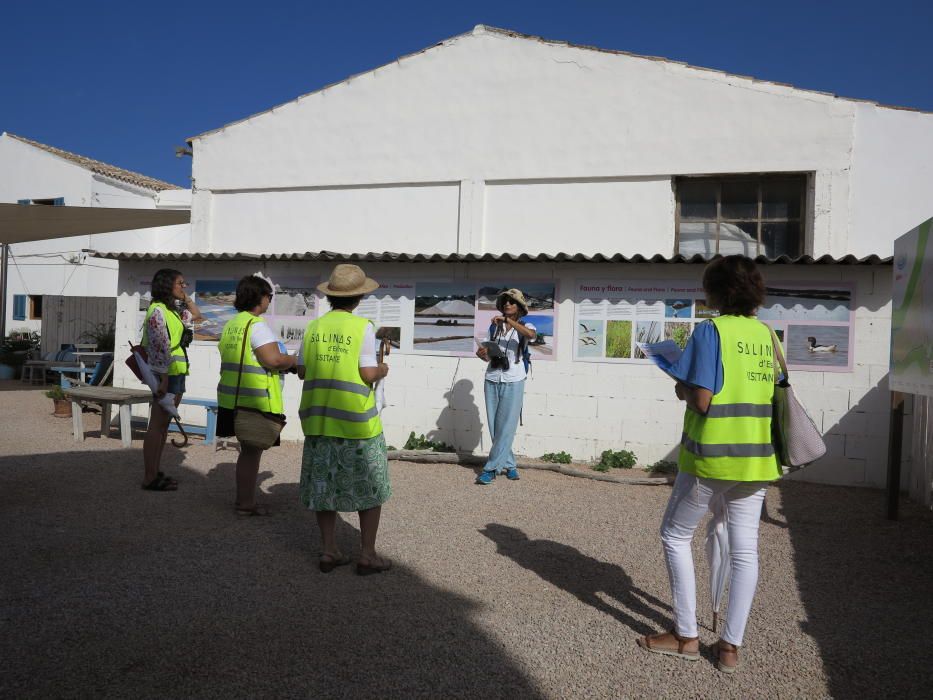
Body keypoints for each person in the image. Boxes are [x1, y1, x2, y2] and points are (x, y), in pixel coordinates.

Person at [636, 255, 782, 673]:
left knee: (675, 535)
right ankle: (729, 649)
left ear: (715, 291)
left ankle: (686, 636)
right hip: (756, 458)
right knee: (745, 551)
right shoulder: (767, 334)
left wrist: (678, 382)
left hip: (710, 457)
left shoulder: (709, 330)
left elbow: (701, 399)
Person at [297, 264, 392, 575]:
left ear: (330, 296)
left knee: (324, 488)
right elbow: (367, 373)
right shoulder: (362, 326)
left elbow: (301, 370)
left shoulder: (314, 327)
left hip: (319, 421)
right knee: (370, 487)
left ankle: (329, 550)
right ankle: (367, 554)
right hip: (357, 423)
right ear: (360, 296)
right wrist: (382, 370)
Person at [216, 275, 298, 516]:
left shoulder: (232, 324)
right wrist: (293, 361)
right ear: (260, 297)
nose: (270, 301)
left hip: (232, 398)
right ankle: (245, 503)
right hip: (254, 400)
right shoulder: (256, 325)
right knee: (251, 454)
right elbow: (272, 359)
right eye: (269, 296)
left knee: (246, 453)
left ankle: (244, 499)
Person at [141, 268, 202, 491]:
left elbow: (197, 315)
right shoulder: (157, 310)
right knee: (156, 426)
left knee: (164, 426)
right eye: (180, 284)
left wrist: (185, 298)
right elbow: (159, 347)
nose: (184, 287)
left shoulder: (172, 311)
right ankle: (149, 477)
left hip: (176, 372)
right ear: (167, 285)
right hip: (166, 375)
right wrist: (164, 379)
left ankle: (155, 472)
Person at [474, 288, 536, 485]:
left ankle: (490, 469)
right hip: (492, 377)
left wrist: (508, 322)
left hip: (514, 379)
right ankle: (510, 464)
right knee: (495, 426)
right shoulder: (494, 327)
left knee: (507, 426)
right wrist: (482, 354)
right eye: (505, 302)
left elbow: (531, 335)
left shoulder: (525, 324)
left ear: (519, 307)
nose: (508, 304)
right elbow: (489, 357)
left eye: (512, 302)